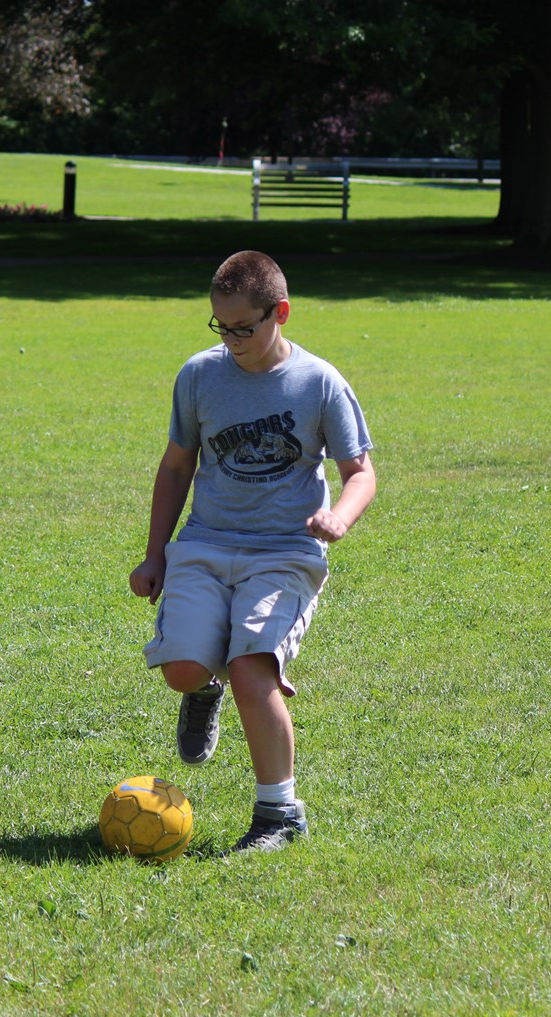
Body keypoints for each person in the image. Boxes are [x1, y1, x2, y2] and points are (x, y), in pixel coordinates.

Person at [129, 250, 377, 853]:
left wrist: (338, 517)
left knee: (251, 668)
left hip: (285, 552)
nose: (232, 340)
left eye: (244, 327)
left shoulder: (319, 382)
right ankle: (202, 691)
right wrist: (155, 553)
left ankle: (279, 814)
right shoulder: (199, 375)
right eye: (222, 326)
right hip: (206, 542)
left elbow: (361, 472)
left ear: (280, 313)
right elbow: (176, 466)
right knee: (184, 670)